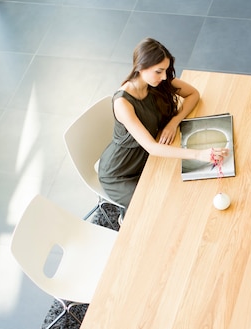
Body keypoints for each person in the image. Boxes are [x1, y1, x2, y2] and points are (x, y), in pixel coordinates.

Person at [98, 38, 228, 209]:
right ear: (140, 67)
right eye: (159, 71)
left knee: (183, 191)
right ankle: (124, 217)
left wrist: (173, 122)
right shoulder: (123, 103)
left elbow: (193, 94)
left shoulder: (157, 82)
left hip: (149, 158)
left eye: (165, 70)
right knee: (153, 207)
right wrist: (199, 154)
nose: (165, 76)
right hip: (121, 172)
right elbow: (152, 147)